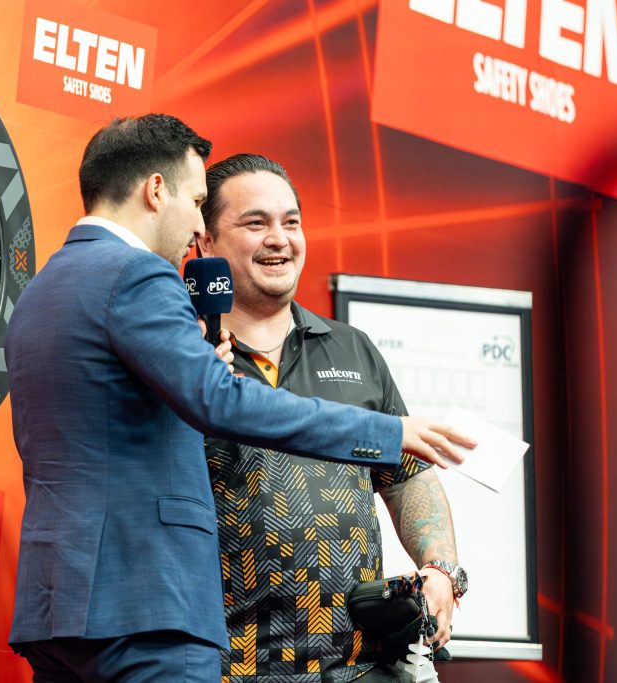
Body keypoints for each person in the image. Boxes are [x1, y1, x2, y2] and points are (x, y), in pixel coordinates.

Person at [5, 116, 473, 682]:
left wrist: (440, 568)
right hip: (162, 618)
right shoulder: (140, 280)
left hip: (64, 606)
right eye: (200, 205)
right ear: (157, 192)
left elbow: (109, 427)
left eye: (291, 221)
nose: (193, 225)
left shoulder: (42, 290)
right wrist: (388, 432)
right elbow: (221, 403)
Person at [197, 153, 468, 682]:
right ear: (205, 242)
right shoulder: (184, 357)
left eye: (291, 222)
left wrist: (440, 569)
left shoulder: (352, 348)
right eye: (255, 223)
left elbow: (407, 474)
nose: (279, 239)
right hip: (227, 668)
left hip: (358, 669)